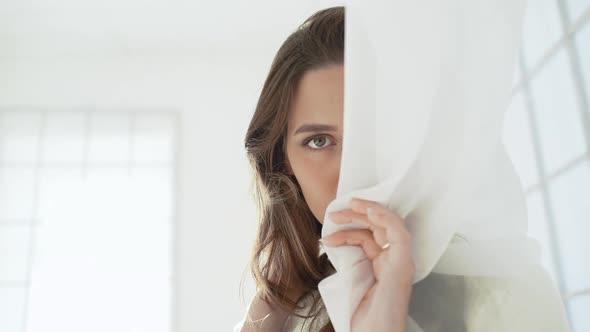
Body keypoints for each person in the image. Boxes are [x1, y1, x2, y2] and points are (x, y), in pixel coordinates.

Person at [236, 6, 415, 331]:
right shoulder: (290, 304)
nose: (349, 171)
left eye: (371, 135)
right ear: (283, 160)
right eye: (319, 141)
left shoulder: (489, 301)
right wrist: (268, 309)